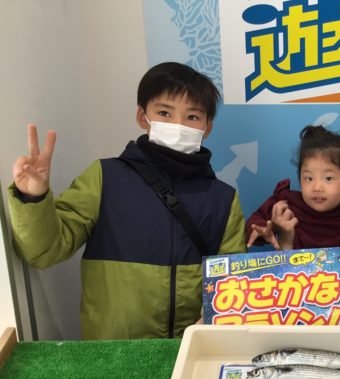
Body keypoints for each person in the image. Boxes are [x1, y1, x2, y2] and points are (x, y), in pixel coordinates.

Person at [8, 62, 246, 340]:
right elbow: (44, 251)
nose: (178, 125)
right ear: (143, 117)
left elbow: (231, 282)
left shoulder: (223, 198)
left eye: (192, 116)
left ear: (207, 127)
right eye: (164, 113)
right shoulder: (104, 177)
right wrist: (33, 197)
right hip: (113, 353)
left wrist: (215, 317)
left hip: (194, 349)